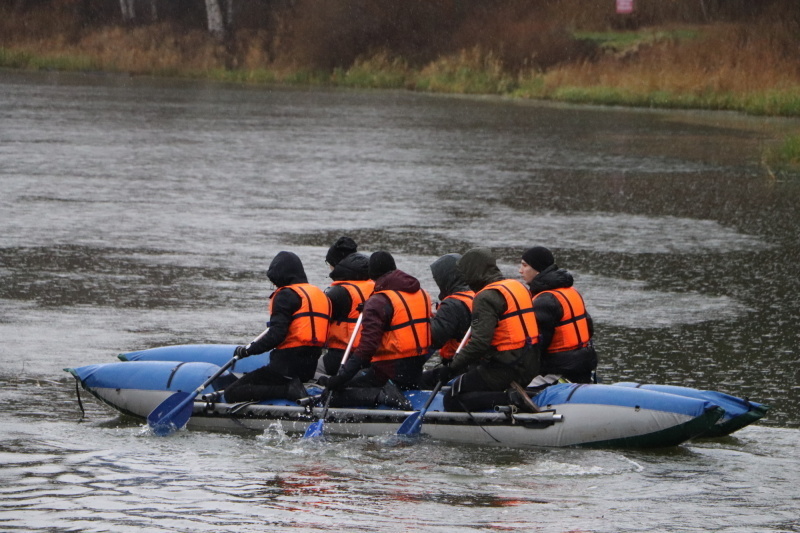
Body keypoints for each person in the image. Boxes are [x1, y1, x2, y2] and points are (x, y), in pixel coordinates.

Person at [209, 251, 331, 403]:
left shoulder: (285, 295)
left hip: (286, 367)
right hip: (309, 366)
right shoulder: (319, 294)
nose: (274, 285)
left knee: (232, 392)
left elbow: (276, 335)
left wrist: (249, 350)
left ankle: (287, 390)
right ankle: (296, 386)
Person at [318, 251, 432, 409]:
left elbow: (366, 348)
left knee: (331, 395)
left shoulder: (378, 301)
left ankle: (381, 395)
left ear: (372, 273)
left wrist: (340, 378)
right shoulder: (421, 294)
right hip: (415, 371)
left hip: (387, 372)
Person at [438, 247, 541, 412]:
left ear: (473, 270)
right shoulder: (517, 286)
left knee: (452, 397)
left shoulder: (485, 297)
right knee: (473, 376)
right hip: (532, 362)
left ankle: (511, 398)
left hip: (508, 367)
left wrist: (451, 368)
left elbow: (479, 343)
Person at [519, 246, 597, 384]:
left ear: (537, 269)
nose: (520, 271)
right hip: (584, 363)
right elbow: (589, 328)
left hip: (559, 368)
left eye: (525, 265)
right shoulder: (571, 292)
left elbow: (537, 347)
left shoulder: (544, 300)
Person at [419, 253, 473, 389]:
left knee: (413, 381)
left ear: (446, 278)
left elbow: (433, 341)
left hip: (459, 367)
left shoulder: (452, 305)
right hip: (476, 363)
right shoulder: (477, 294)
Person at [321, 251, 374, 375]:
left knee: (307, 369)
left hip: (342, 355)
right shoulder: (377, 288)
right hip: (371, 357)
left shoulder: (339, 292)